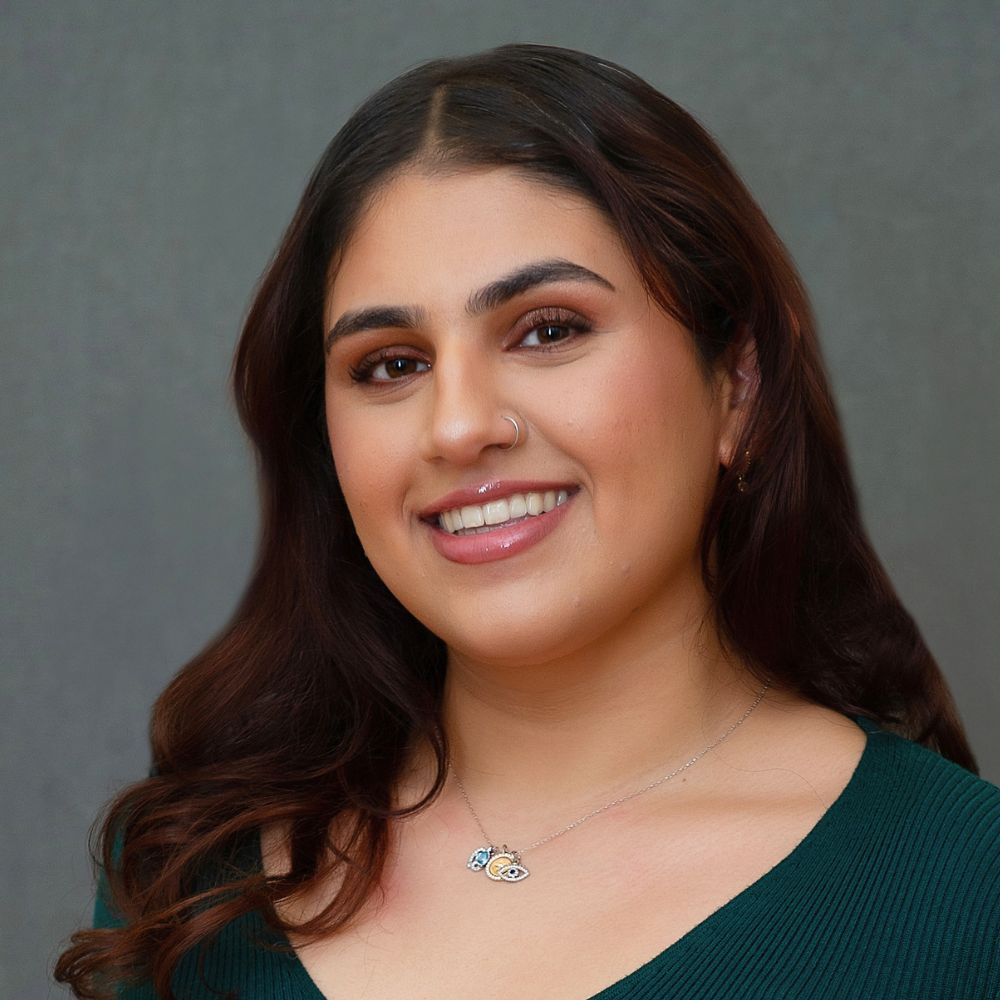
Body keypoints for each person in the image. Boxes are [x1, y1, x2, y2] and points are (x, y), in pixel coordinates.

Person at [56, 43, 999, 1000]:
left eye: (548, 330)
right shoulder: (191, 880)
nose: (459, 427)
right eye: (390, 364)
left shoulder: (969, 897)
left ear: (740, 388)